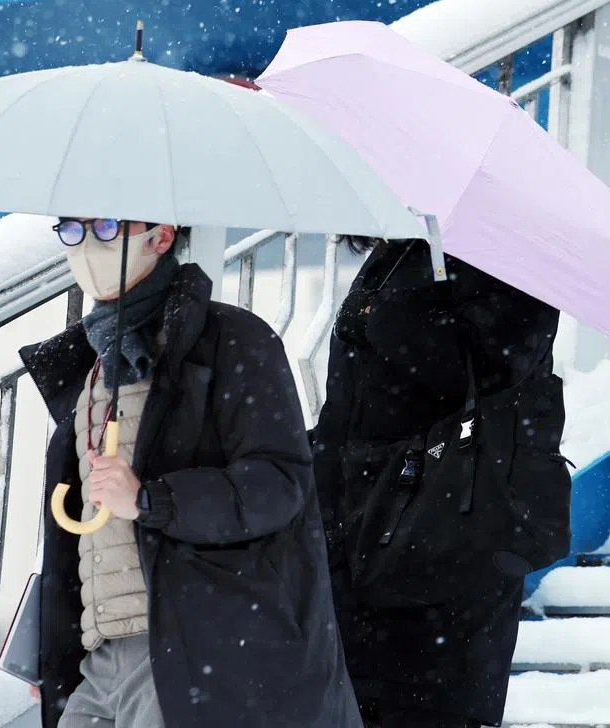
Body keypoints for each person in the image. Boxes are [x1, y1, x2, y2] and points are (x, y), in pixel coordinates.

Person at [19, 217, 361, 728]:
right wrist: (50, 646)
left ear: (160, 237)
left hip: (191, 648)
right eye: (72, 229)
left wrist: (153, 500)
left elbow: (277, 483)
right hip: (100, 656)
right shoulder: (92, 369)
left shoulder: (230, 339)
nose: (88, 244)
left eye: (109, 227)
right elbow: (89, 538)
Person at [311, 236, 571, 728]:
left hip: (444, 540)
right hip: (361, 540)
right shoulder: (400, 251)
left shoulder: (506, 253)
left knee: (425, 706)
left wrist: (392, 318)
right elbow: (353, 411)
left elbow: (497, 375)